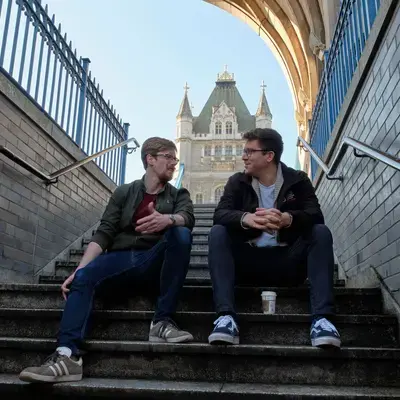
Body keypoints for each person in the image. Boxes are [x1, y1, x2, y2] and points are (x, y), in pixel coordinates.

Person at [19, 137, 195, 383]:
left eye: (175, 158)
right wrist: (79, 269)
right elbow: (104, 232)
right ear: (150, 159)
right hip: (120, 259)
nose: (174, 162)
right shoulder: (124, 192)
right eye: (168, 157)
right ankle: (67, 356)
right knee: (83, 277)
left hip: (153, 259)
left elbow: (188, 217)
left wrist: (168, 220)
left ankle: (162, 321)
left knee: (181, 233)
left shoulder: (178, 194)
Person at [207, 128, 340, 349]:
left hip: (288, 263)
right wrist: (246, 218)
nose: (243, 156)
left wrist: (288, 219)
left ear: (269, 156)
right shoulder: (237, 182)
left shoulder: (297, 180)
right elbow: (219, 214)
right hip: (248, 264)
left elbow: (316, 215)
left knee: (320, 232)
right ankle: (225, 318)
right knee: (218, 232)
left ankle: (323, 320)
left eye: (249, 151)